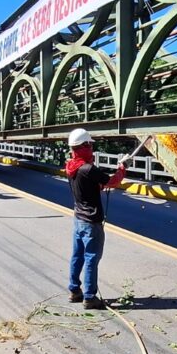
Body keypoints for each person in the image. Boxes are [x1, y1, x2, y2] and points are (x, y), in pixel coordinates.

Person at [65, 128, 127, 309]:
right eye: (90, 146)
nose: (92, 149)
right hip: (91, 222)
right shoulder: (88, 169)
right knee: (91, 258)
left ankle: (74, 290)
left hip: (78, 220)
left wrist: (102, 184)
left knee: (77, 256)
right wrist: (122, 168)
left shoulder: (71, 167)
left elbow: (91, 185)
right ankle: (90, 297)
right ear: (84, 146)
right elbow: (113, 182)